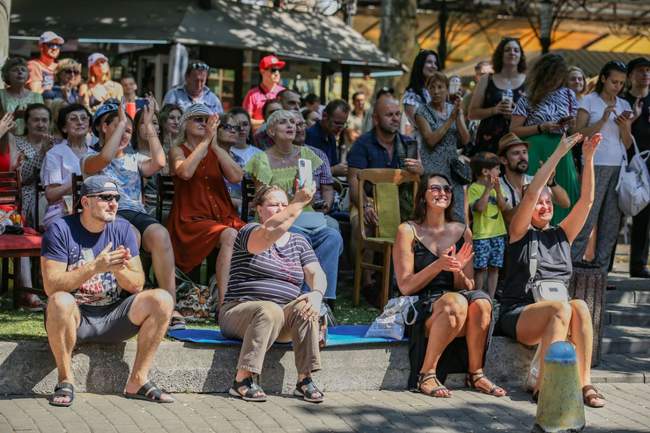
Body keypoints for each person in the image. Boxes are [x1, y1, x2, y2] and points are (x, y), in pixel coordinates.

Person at [41, 175, 175, 407]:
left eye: (116, 198)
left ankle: (138, 380)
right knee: (59, 301)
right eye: (105, 198)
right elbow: (51, 286)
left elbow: (137, 284)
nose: (113, 203)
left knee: (162, 299)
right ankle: (65, 380)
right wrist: (94, 267)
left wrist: (116, 270)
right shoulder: (60, 229)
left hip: (113, 316)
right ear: (85, 202)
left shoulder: (122, 229)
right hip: (76, 317)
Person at [497, 131, 606, 408]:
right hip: (520, 313)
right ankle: (545, 387)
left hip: (557, 312)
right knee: (563, 308)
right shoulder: (520, 232)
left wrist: (589, 158)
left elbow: (587, 202)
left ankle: (584, 383)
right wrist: (559, 153)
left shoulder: (561, 234)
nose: (544, 205)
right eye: (539, 203)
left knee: (579, 305)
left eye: (548, 202)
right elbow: (533, 191)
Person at [393, 173, 505, 399]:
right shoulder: (408, 230)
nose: (442, 193)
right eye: (435, 188)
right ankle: (426, 374)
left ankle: (476, 374)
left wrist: (456, 271)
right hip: (421, 306)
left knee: (482, 301)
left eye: (447, 189)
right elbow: (405, 286)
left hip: (457, 304)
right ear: (423, 195)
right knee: (456, 302)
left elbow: (468, 284)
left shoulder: (463, 231)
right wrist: (438, 265)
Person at [81, 102, 183, 329]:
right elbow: (105, 158)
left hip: (135, 211)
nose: (125, 134)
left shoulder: (134, 158)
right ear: (103, 128)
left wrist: (147, 125)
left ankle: (170, 306)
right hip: (108, 214)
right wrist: (122, 125)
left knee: (160, 234)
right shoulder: (89, 157)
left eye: (128, 130)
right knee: (131, 235)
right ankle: (129, 302)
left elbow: (159, 162)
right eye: (119, 127)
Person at [220, 184, 325, 403]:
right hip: (240, 312)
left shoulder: (299, 241)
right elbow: (267, 235)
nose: (280, 209)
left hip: (280, 319)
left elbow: (316, 273)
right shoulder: (249, 231)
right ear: (259, 209)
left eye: (284, 204)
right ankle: (243, 379)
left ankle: (305, 380)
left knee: (305, 305)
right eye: (273, 205)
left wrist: (316, 294)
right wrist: (297, 203)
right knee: (269, 310)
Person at [246, 110, 343, 305]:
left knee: (333, 237)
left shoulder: (307, 155)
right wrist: (294, 193)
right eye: (283, 122)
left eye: (292, 122)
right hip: (278, 219)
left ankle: (324, 298)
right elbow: (264, 200)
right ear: (271, 131)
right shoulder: (261, 160)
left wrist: (311, 196)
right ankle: (303, 300)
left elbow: (313, 194)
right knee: (300, 238)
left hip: (308, 218)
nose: (291, 126)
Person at [167, 103, 245, 308]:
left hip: (222, 217)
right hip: (191, 220)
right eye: (198, 119)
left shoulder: (215, 150)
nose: (204, 123)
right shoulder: (178, 149)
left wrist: (216, 146)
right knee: (230, 235)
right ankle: (225, 305)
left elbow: (237, 177)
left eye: (207, 120)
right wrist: (206, 142)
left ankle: (250, 295)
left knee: (254, 234)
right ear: (185, 124)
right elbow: (184, 172)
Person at [571, 61, 638, 273]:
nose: (617, 86)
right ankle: (571, 265)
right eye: (614, 81)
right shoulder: (588, 101)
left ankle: (601, 271)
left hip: (618, 165)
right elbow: (579, 134)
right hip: (595, 163)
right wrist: (603, 120)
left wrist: (625, 126)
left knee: (611, 220)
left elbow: (627, 144)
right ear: (603, 79)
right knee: (587, 216)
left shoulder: (624, 105)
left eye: (621, 83)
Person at [510, 53, 579, 225]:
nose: (556, 81)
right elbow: (514, 130)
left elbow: (575, 128)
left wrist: (570, 123)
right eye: (553, 76)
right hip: (537, 151)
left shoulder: (569, 95)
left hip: (562, 151)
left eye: (560, 76)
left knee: (565, 198)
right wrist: (542, 127)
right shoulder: (528, 96)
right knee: (538, 198)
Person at [415, 72, 470, 222]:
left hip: (453, 171)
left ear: (447, 89)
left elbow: (465, 139)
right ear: (428, 90)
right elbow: (431, 140)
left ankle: (459, 244)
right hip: (433, 169)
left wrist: (458, 116)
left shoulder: (453, 108)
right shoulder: (422, 112)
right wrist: (450, 119)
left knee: (456, 213)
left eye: (440, 87)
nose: (436, 91)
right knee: (436, 211)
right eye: (432, 87)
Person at [468, 37, 526, 155]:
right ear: (500, 54)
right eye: (507, 50)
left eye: (516, 50)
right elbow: (472, 114)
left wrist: (517, 113)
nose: (512, 53)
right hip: (488, 141)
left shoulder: (528, 82)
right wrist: (494, 110)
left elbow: (536, 116)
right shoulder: (486, 79)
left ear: (521, 55)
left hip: (517, 142)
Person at [497, 132, 570, 226]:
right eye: (516, 153)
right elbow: (508, 219)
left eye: (524, 152)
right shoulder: (497, 185)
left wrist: (551, 182)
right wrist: (531, 192)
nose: (522, 157)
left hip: (541, 238)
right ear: (504, 160)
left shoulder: (534, 180)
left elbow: (565, 203)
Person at [41, 104, 92, 228]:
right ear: (64, 128)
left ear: (89, 125)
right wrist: (79, 181)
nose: (80, 122)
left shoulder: (96, 155)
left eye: (84, 118)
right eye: (73, 119)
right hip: (62, 211)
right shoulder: (55, 153)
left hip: (92, 210)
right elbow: (51, 195)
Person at [623, 57, 650, 278]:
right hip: (623, 162)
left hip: (648, 165)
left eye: (648, 71)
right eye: (641, 70)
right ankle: (603, 264)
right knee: (616, 217)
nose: (645, 75)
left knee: (645, 216)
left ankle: (639, 265)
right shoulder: (622, 100)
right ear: (630, 75)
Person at [468, 152, 508, 298]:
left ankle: (490, 298)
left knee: (495, 268)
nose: (499, 172)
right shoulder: (473, 188)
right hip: (482, 236)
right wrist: (487, 189)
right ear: (485, 171)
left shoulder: (499, 187)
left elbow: (503, 207)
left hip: (498, 233)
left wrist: (497, 190)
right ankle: (477, 296)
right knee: (480, 268)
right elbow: (479, 208)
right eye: (497, 169)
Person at [292, 111, 336, 217]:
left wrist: (324, 210)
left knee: (333, 230)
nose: (299, 129)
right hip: (287, 214)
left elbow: (328, 189)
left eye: (301, 124)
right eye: (294, 125)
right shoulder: (274, 157)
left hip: (316, 212)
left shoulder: (318, 155)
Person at [15, 103, 52, 228]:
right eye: (36, 120)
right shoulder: (16, 143)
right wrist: (42, 152)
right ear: (26, 123)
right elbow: (24, 177)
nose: (41, 124)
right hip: (29, 195)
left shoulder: (56, 145)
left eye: (44, 120)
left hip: (55, 194)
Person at [305, 99, 350, 176]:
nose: (340, 128)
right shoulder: (310, 135)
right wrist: (333, 170)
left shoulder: (331, 136)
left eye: (343, 124)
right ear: (324, 116)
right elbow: (307, 172)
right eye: (337, 123)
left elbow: (334, 164)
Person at [0, 57, 44, 135]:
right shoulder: (1, 94)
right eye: (15, 70)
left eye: (23, 70)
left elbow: (44, 122)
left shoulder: (37, 97)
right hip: (6, 141)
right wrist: (15, 116)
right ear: (7, 75)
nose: (20, 72)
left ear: (27, 76)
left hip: (31, 141)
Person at [243, 55, 286, 129]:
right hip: (258, 139)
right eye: (273, 70)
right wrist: (269, 122)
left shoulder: (284, 93)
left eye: (279, 70)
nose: (277, 73)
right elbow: (245, 121)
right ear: (262, 71)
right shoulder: (252, 95)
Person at [402, 50, 438, 128]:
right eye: (429, 62)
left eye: (435, 63)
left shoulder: (435, 92)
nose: (433, 66)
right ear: (420, 65)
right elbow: (418, 125)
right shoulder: (411, 95)